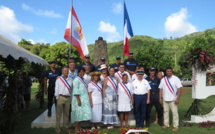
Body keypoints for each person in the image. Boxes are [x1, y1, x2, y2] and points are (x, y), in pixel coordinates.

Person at [159, 67, 182, 131]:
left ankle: (176, 126)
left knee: (174, 113)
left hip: (173, 99)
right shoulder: (163, 79)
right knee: (165, 112)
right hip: (165, 98)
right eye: (167, 71)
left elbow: (179, 89)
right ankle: (166, 124)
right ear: (166, 72)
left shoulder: (176, 79)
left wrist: (178, 98)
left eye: (170, 71)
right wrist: (160, 98)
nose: (169, 72)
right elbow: (161, 89)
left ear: (172, 71)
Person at [71, 67, 92, 133]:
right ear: (78, 73)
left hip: (84, 99)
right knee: (78, 114)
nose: (82, 73)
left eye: (83, 72)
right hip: (78, 99)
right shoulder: (76, 80)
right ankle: (76, 129)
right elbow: (75, 90)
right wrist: (78, 100)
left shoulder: (84, 80)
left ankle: (79, 127)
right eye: (80, 72)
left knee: (81, 114)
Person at [55, 67, 72, 134]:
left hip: (68, 98)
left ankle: (66, 127)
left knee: (66, 114)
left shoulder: (70, 79)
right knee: (59, 115)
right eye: (65, 71)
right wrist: (57, 98)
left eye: (67, 71)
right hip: (61, 97)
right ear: (62, 72)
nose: (66, 72)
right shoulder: (59, 79)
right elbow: (56, 88)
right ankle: (57, 129)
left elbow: (71, 89)